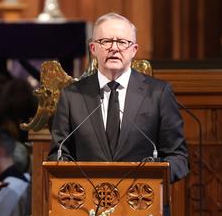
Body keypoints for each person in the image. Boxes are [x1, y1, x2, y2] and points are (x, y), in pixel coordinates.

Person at [49, 13, 189, 183]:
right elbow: (58, 155)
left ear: (133, 50)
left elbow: (178, 157)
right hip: (88, 205)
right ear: (93, 49)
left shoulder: (158, 94)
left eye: (122, 42)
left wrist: (152, 179)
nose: (114, 48)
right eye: (106, 41)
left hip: (142, 202)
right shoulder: (72, 96)